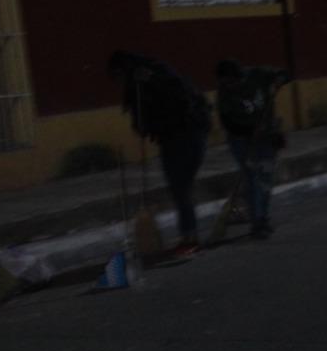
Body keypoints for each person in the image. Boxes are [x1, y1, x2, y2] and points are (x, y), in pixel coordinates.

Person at [109, 51, 212, 257]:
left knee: (180, 188)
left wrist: (150, 83)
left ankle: (189, 238)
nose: (118, 81)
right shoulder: (136, 86)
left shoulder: (155, 75)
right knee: (180, 189)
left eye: (118, 75)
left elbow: (177, 96)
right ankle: (188, 236)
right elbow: (141, 115)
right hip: (173, 139)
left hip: (186, 136)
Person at [215, 59, 291, 239]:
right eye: (224, 83)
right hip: (240, 139)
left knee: (265, 179)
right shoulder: (224, 93)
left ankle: (262, 218)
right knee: (251, 178)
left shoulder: (258, 75)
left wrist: (279, 80)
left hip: (266, 137)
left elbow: (286, 73)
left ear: (239, 77)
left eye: (231, 82)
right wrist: (249, 131)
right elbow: (228, 123)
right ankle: (257, 223)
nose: (228, 86)